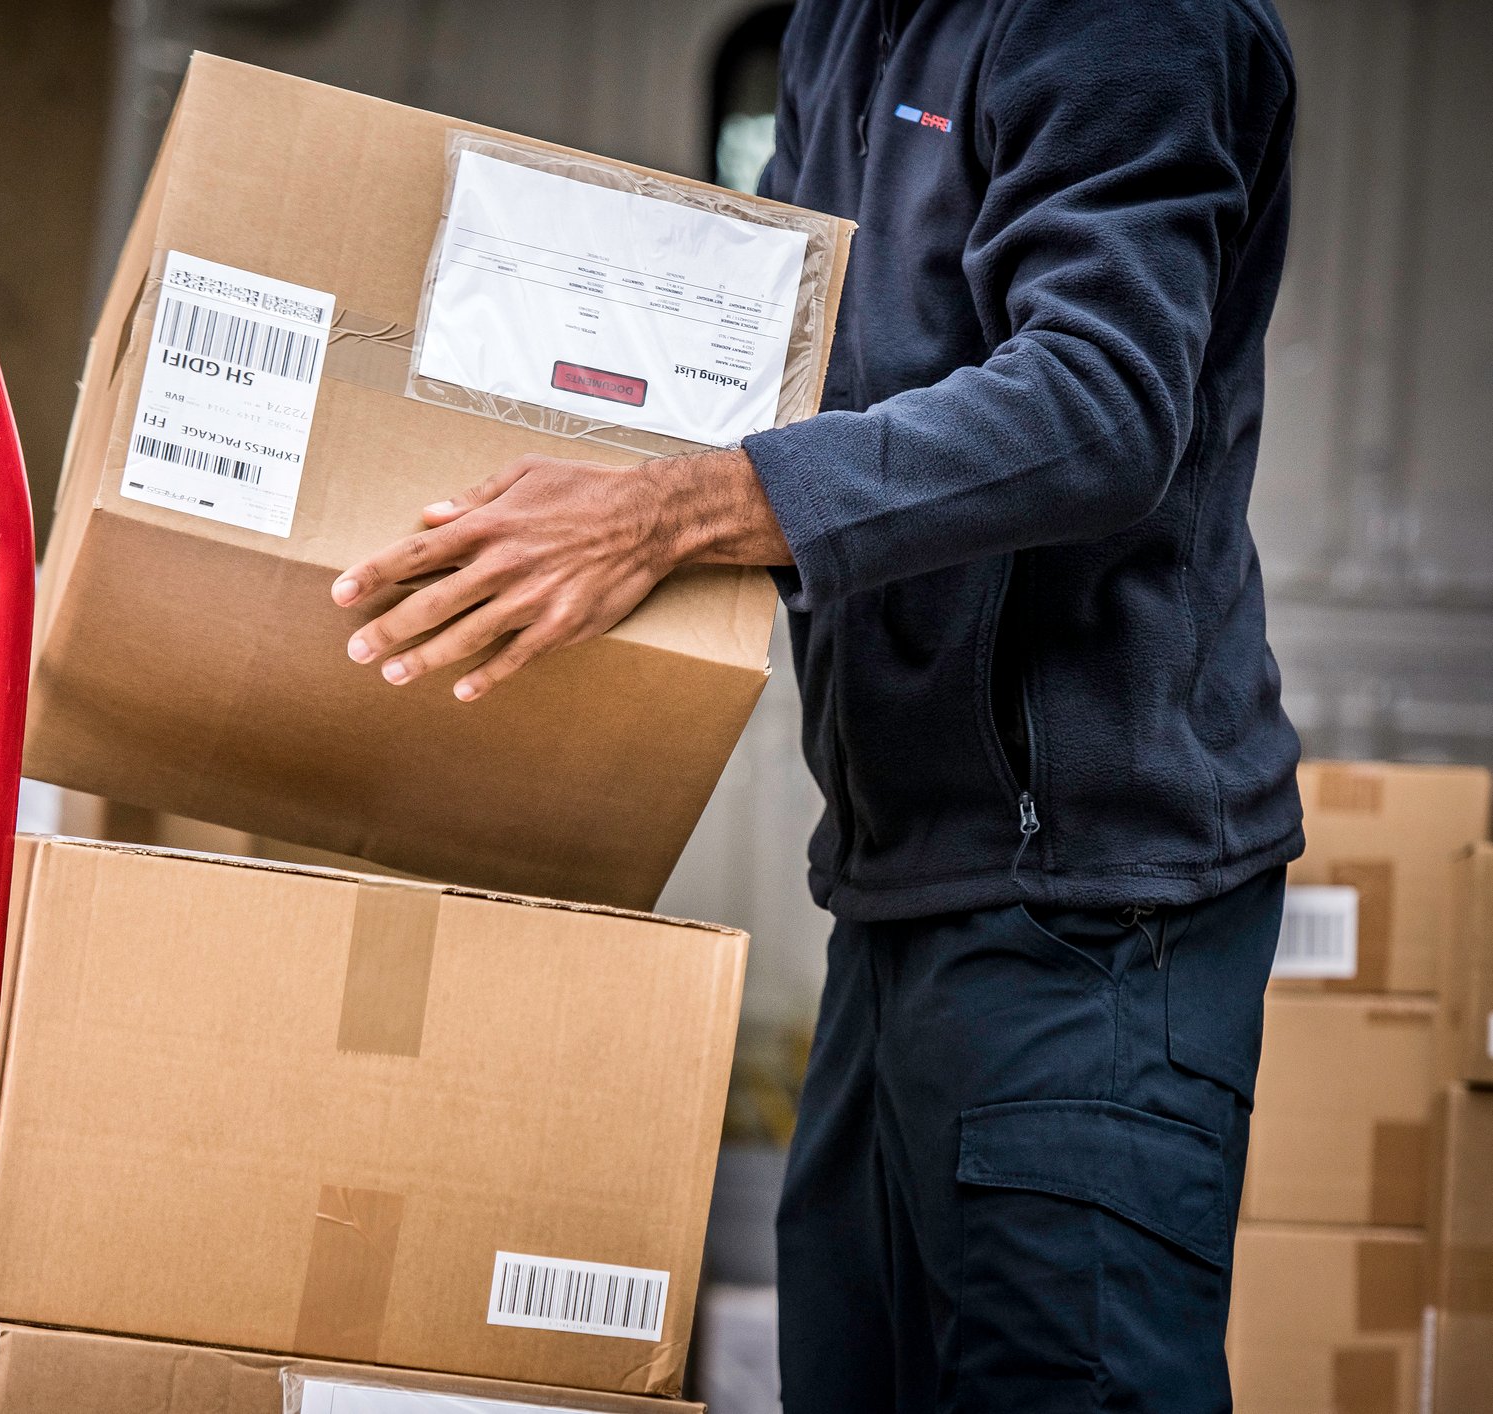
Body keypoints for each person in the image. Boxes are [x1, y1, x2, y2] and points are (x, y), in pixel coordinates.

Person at [331, 0, 1302, 1406]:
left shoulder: (1121, 20)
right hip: (894, 874)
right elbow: (784, 365)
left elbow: (1099, 401)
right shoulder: (842, 26)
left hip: (1088, 907)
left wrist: (666, 513)